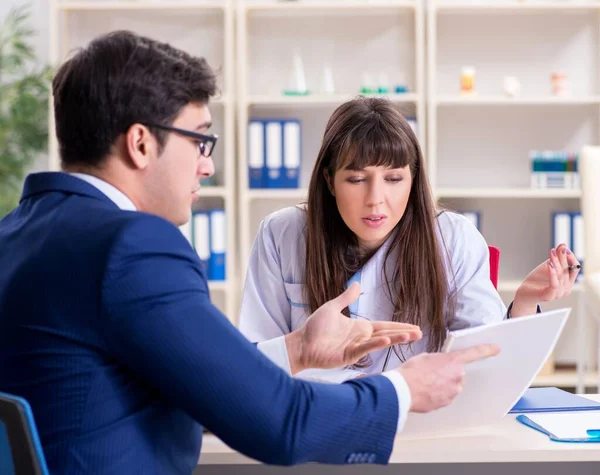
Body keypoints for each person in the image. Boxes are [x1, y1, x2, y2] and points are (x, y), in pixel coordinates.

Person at [0, 31, 499, 475]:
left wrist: (300, 349)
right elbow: (280, 422)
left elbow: (180, 378)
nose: (207, 166)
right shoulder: (132, 247)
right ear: (140, 144)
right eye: (199, 140)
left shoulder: (15, 233)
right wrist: (406, 388)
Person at [238, 96, 580, 383]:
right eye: (357, 179)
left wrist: (522, 303)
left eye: (394, 178)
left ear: (412, 179)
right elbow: (254, 365)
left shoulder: (453, 238)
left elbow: (487, 365)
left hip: (422, 430)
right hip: (315, 427)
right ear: (329, 180)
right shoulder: (281, 235)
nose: (376, 199)